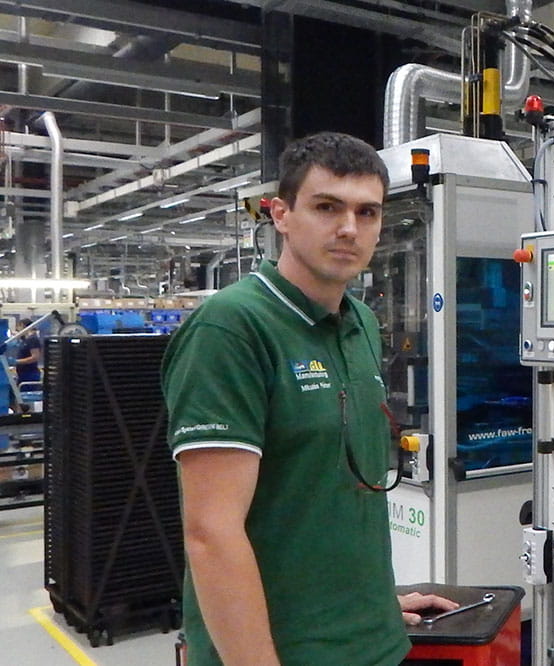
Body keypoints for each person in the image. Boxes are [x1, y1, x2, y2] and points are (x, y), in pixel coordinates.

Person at [162, 131, 457, 665]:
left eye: (368, 213)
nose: (349, 228)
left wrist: (371, 604)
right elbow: (211, 533)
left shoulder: (361, 322)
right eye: (327, 207)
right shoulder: (231, 327)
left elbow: (330, 495)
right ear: (281, 214)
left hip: (372, 641)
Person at [14, 318, 41, 386]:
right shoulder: (25, 340)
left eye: (18, 328)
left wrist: (17, 361)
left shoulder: (32, 339)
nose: (18, 331)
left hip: (29, 374)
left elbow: (35, 357)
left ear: (22, 325)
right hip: (23, 374)